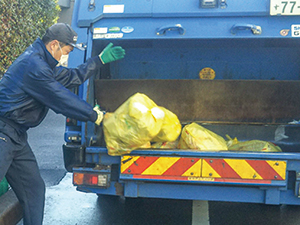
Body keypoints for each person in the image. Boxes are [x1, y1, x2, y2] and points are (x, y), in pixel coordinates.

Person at [0, 23, 125, 225]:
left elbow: (70, 77)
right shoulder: (35, 66)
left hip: (16, 137)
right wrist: (95, 116)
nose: (64, 56)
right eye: (66, 51)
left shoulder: (42, 63)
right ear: (54, 45)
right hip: (3, 132)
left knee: (33, 188)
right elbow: (60, 98)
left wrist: (99, 60)